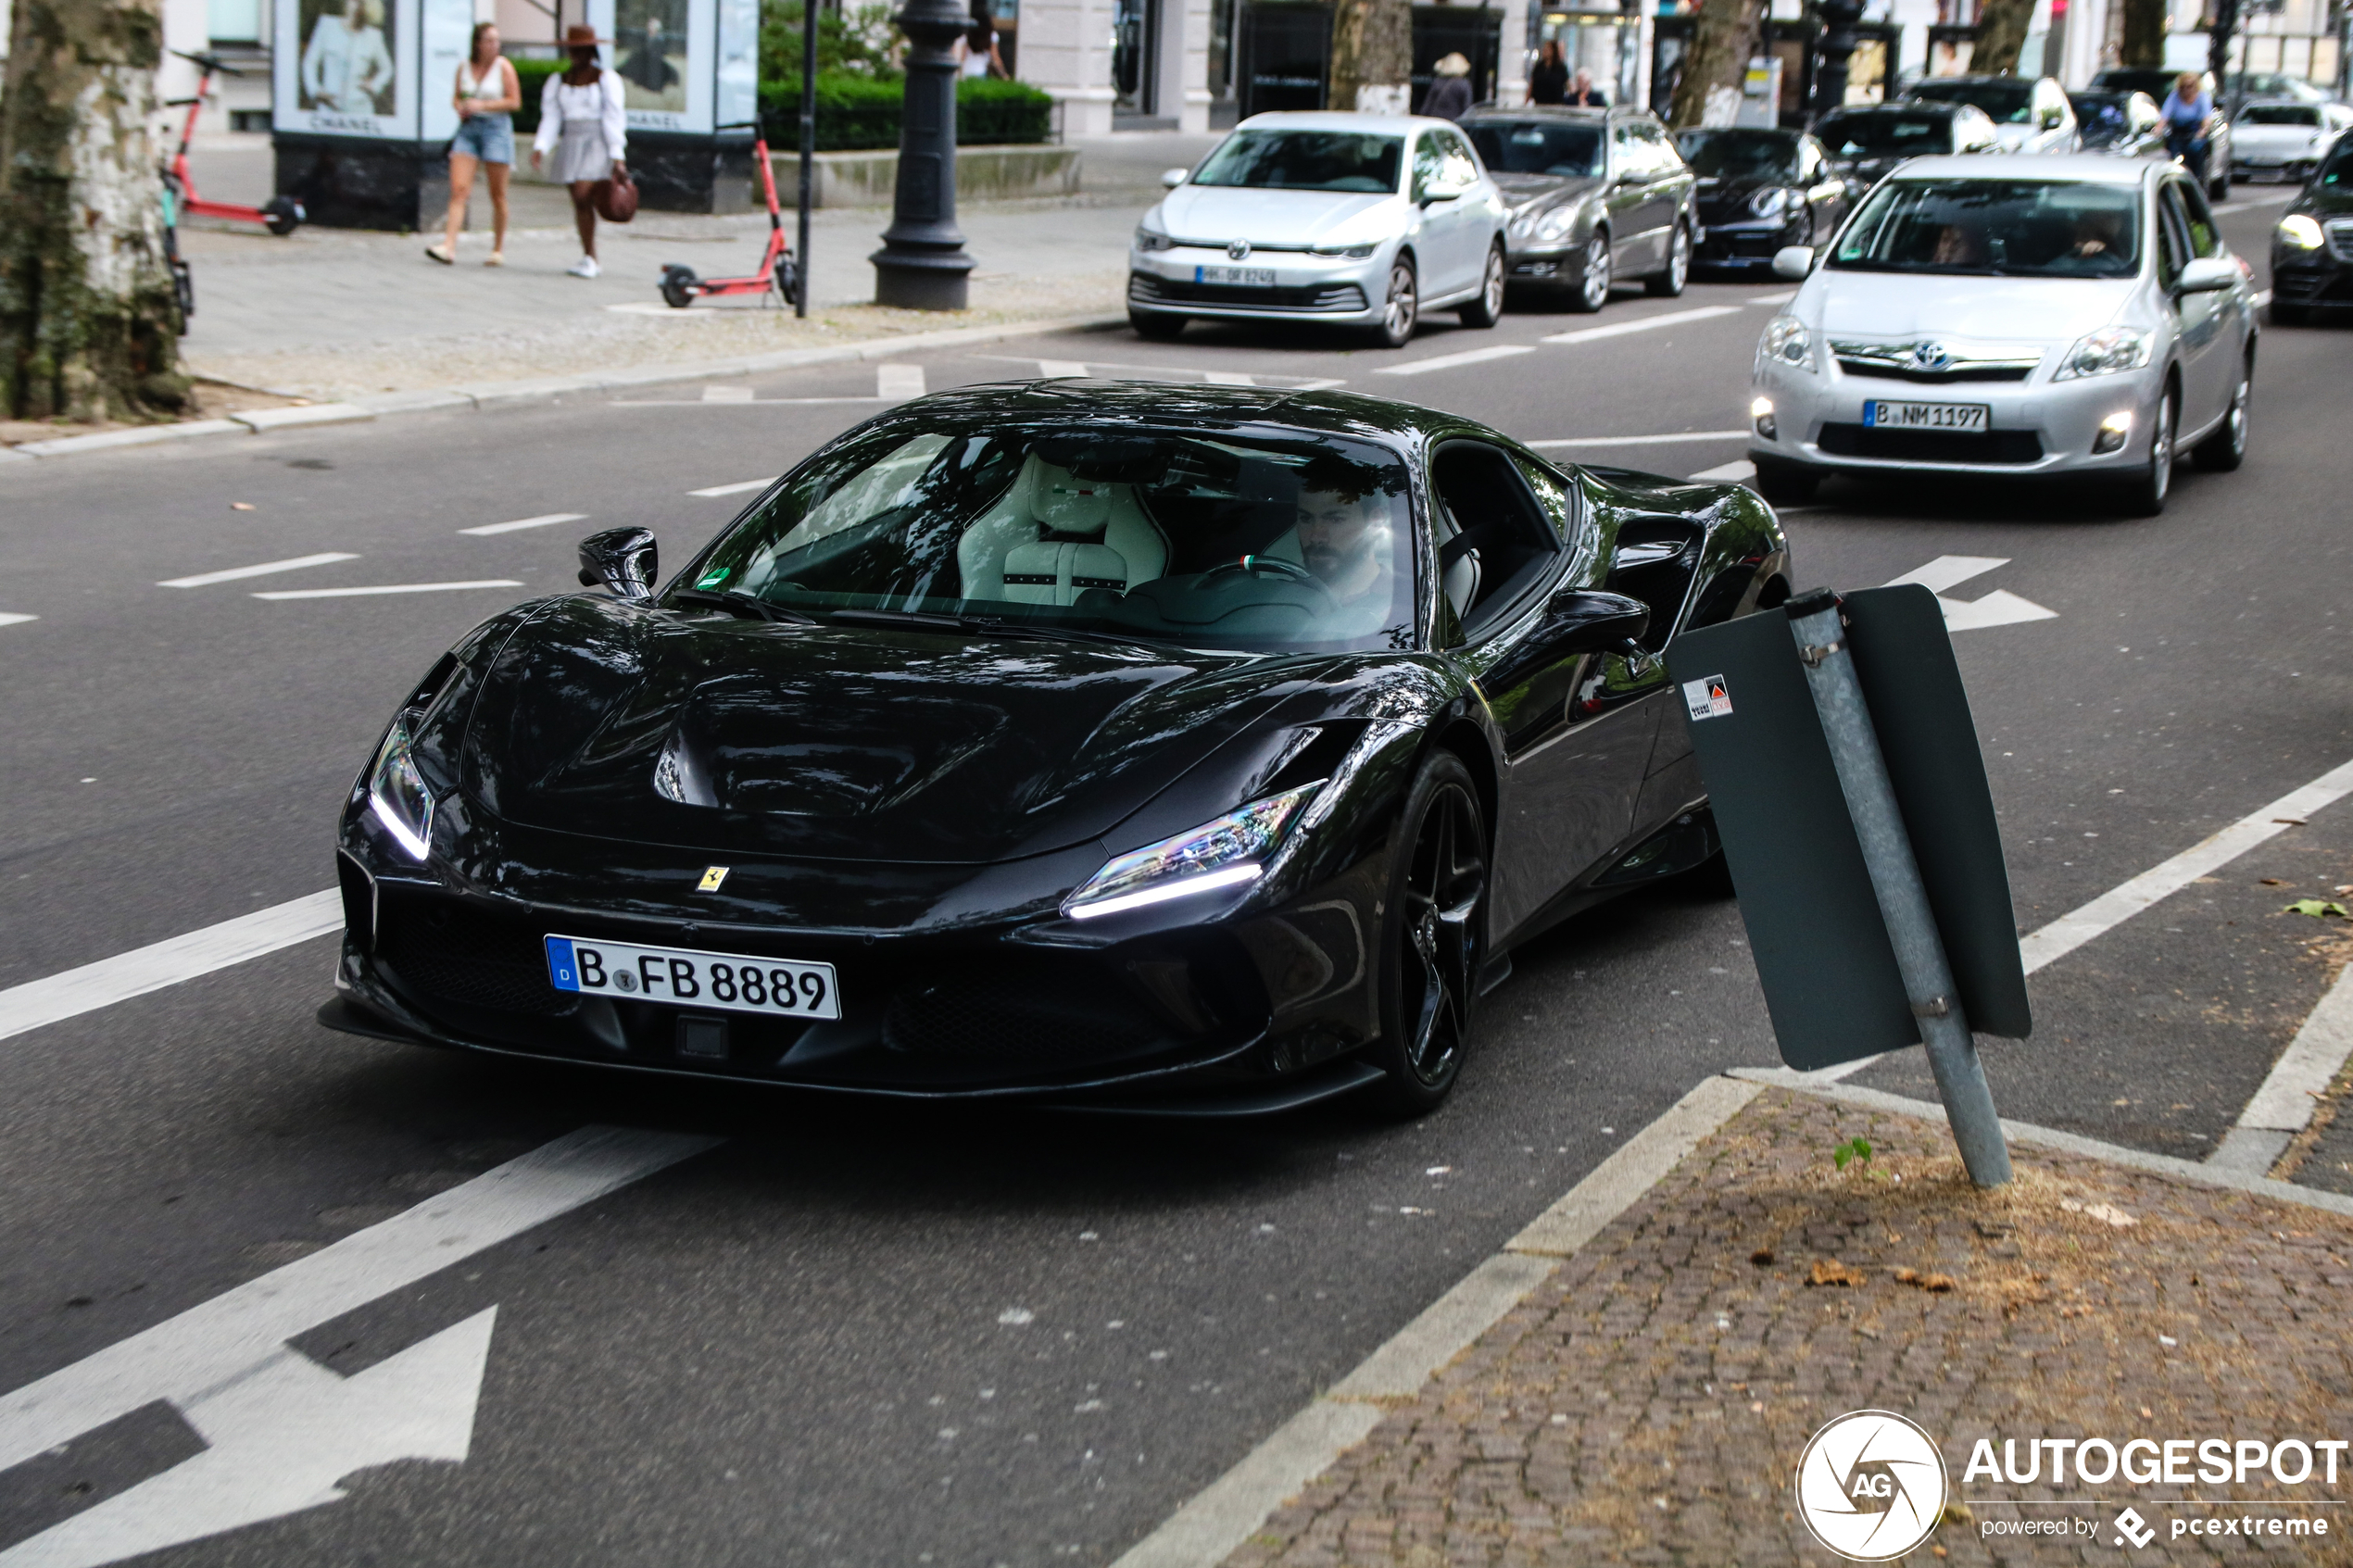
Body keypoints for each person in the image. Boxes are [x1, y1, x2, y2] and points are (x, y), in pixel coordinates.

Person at [532, 24, 628, 280]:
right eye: (574, 51)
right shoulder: (559, 81)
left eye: (583, 50)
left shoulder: (606, 79)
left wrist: (617, 154)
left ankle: (591, 253)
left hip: (597, 139)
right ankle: (589, 255)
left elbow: (613, 117)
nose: (578, 56)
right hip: (572, 140)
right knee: (578, 197)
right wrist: (542, 146)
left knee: (584, 191)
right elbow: (552, 117)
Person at [427, 23, 521, 268]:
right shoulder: (464, 67)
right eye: (489, 40)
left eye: (497, 41)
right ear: (477, 43)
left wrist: (483, 105)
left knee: (497, 193)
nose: (494, 45)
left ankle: (498, 248)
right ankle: (448, 246)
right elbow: (457, 96)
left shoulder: (504, 67)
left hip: (496, 129)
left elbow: (514, 101)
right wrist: (459, 106)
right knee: (459, 189)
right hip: (469, 130)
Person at [1295, 484, 1399, 632]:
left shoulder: (1404, 605)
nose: (1316, 537)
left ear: (1375, 522)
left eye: (1335, 520)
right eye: (1306, 519)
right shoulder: (1283, 599)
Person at [2158, 70, 2213, 186]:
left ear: (2196, 86)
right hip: (2178, 132)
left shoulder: (2202, 97)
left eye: (2190, 86)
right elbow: (2164, 117)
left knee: (2195, 149)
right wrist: (2157, 130)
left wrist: (2202, 132)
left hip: (2194, 132)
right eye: (2183, 87)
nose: (2186, 90)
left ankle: (2197, 179)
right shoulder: (2174, 96)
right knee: (2172, 153)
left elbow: (2206, 120)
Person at [1423, 53, 1474, 122]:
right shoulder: (1464, 84)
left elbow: (1427, 106)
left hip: (1435, 121)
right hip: (1452, 124)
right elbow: (1466, 109)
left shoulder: (1438, 82)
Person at [1529, 41, 1568, 106]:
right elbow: (1532, 84)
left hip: (1556, 103)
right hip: (1539, 103)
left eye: (1548, 49)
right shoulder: (1539, 67)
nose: (1545, 51)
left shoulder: (1560, 68)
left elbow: (1567, 83)